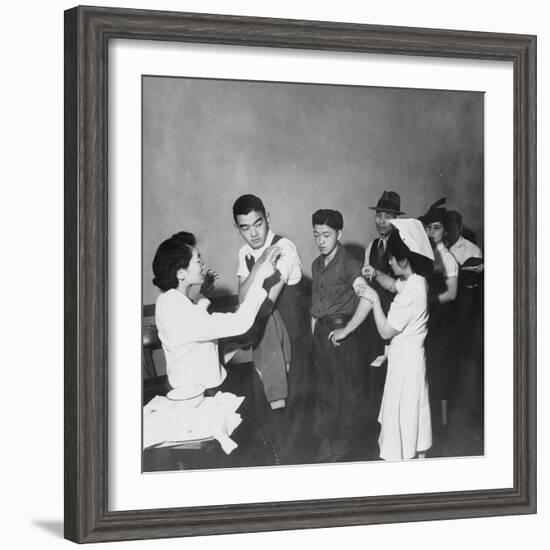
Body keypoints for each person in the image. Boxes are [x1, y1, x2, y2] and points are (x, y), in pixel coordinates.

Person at [233, 194, 314, 463]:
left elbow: (264, 305)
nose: (254, 234)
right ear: (238, 228)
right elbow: (241, 298)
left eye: (258, 223)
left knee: (292, 422)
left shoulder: (284, 248)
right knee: (267, 414)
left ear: (267, 218)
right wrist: (258, 265)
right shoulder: (245, 254)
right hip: (262, 344)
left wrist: (239, 327)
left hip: (292, 341)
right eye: (245, 228)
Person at [152, 231, 279, 400]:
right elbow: (240, 323)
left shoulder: (166, 301)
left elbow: (192, 321)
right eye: (197, 260)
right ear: (180, 273)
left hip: (183, 386)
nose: (202, 264)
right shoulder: (182, 313)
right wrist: (261, 276)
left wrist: (203, 294)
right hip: (198, 394)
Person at [356, 218, 434, 460]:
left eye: (391, 258)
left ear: (404, 260)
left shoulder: (411, 292)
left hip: (405, 367)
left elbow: (385, 331)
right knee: (412, 418)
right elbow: (392, 285)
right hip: (410, 360)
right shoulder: (417, 281)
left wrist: (374, 300)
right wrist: (376, 273)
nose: (388, 261)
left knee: (403, 420)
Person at [310, 209, 371, 462]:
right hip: (322, 334)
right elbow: (316, 305)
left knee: (345, 395)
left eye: (326, 234)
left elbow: (368, 298)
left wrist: (346, 330)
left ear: (339, 233)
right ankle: (331, 443)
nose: (321, 240)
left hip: (343, 336)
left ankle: (345, 451)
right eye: (316, 235)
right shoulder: (316, 264)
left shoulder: (349, 264)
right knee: (325, 392)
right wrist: (314, 335)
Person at [361, 191, 405, 447]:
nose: (381, 221)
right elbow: (369, 285)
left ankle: (396, 437)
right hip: (375, 317)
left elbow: (404, 285)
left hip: (397, 319)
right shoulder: (372, 246)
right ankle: (380, 437)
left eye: (387, 216)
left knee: (395, 377)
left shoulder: (403, 247)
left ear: (396, 220)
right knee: (377, 376)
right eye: (379, 215)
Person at [419, 199, 459, 433]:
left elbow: (452, 293)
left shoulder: (448, 258)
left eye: (437, 227)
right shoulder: (425, 256)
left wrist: (429, 301)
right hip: (426, 318)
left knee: (440, 371)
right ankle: (429, 424)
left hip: (442, 321)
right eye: (429, 227)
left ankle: (442, 428)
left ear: (445, 231)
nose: (432, 232)